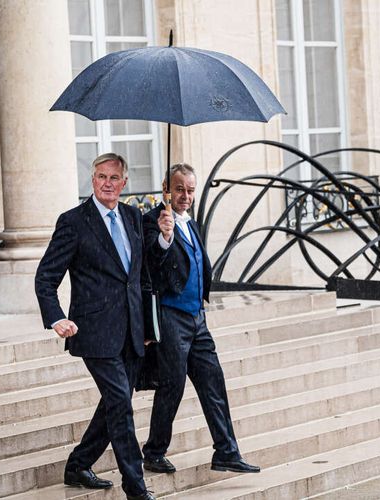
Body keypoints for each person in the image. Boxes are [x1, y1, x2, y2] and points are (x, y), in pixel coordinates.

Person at [34, 153, 173, 500]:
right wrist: (56, 317)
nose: (107, 183)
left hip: (132, 330)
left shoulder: (132, 216)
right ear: (92, 181)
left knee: (116, 401)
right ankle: (135, 486)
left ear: (124, 183)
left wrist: (164, 238)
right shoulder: (73, 222)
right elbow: (46, 276)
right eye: (100, 177)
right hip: (93, 331)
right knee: (119, 403)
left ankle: (78, 464)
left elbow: (142, 272)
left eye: (114, 177)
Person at [140, 163, 261, 475]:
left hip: (197, 318)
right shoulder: (153, 221)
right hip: (170, 315)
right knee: (173, 385)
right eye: (179, 189)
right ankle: (154, 452)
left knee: (213, 382)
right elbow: (152, 260)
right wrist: (164, 237)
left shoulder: (190, 224)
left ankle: (226, 451)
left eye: (191, 190)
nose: (186, 196)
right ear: (166, 189)